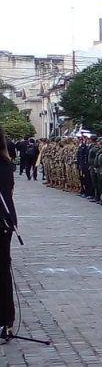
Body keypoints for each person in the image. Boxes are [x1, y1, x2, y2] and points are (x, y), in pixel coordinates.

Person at [0, 127, 15, 333]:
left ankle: (6, 319)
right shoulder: (6, 163)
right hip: (6, 220)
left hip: (1, 221)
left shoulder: (3, 165)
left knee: (2, 270)